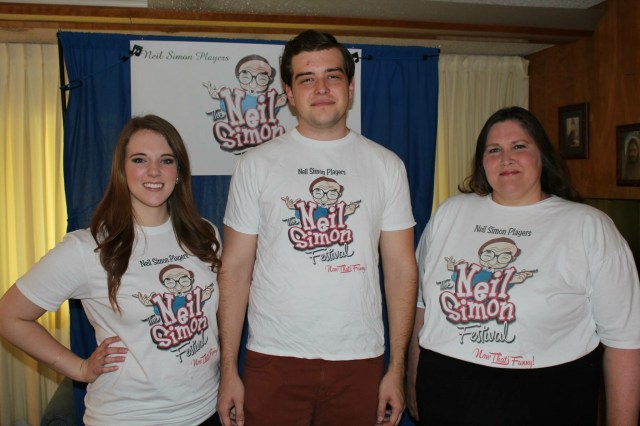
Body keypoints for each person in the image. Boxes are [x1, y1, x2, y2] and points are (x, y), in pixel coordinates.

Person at [216, 30, 418, 426]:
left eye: (333, 76)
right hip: (273, 357)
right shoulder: (255, 164)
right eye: (307, 79)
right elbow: (235, 270)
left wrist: (396, 369)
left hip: (360, 359)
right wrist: (227, 371)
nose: (321, 88)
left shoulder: (387, 166)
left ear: (350, 87)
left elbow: (401, 271)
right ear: (289, 94)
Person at [406, 106, 640, 426]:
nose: (506, 159)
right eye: (494, 150)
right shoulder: (450, 213)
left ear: (542, 155)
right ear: (482, 162)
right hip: (444, 393)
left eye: (519, 146)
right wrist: (412, 378)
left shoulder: (588, 226)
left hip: (547, 399)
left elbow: (625, 341)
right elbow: (423, 305)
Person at [0, 115, 223, 426]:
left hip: (206, 410)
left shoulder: (205, 235)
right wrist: (79, 369)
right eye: (140, 160)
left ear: (179, 171)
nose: (154, 171)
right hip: (129, 417)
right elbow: (9, 315)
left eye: (166, 160)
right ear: (121, 170)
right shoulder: (87, 249)